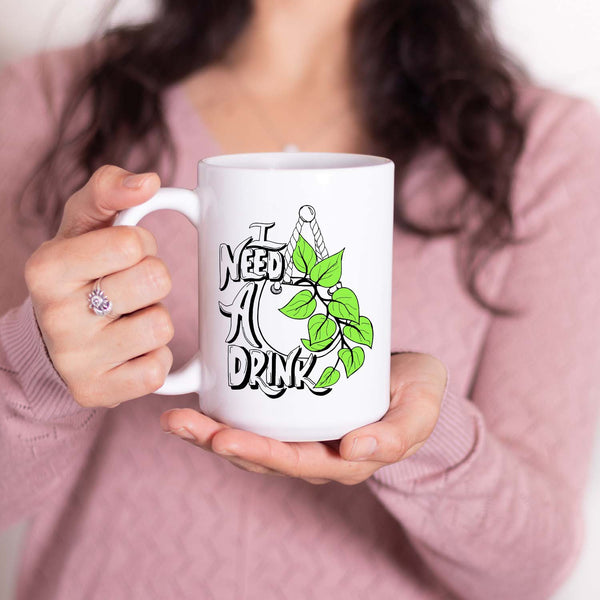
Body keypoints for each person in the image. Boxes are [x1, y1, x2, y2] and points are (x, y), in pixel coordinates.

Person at [1, 1, 599, 598]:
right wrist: (42, 370)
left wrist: (420, 436)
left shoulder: (547, 152)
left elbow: (529, 571)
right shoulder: (46, 102)